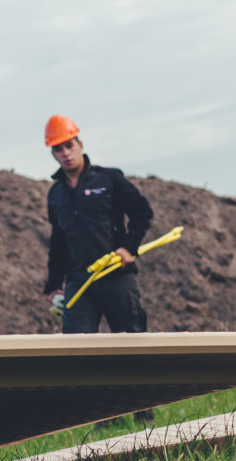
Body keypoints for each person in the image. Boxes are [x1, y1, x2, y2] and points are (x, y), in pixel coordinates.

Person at [42, 115, 154, 336]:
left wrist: (128, 248)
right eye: (58, 149)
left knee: (132, 346)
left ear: (80, 145)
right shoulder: (56, 194)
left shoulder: (108, 179)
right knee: (76, 351)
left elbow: (142, 212)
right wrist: (54, 284)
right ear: (53, 154)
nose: (65, 152)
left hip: (116, 275)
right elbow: (58, 242)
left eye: (69, 145)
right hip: (79, 283)